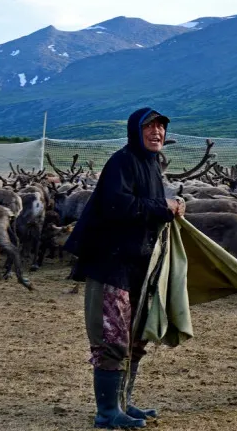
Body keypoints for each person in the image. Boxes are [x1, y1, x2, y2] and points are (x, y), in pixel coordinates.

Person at [64, 108, 185, 429]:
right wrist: (163, 207)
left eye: (161, 126)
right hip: (111, 263)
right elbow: (117, 205)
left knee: (134, 336)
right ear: (135, 131)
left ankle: (122, 403)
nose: (156, 132)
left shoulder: (152, 164)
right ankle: (106, 412)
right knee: (112, 336)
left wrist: (172, 207)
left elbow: (150, 208)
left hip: (139, 264)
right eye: (149, 126)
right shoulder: (121, 162)